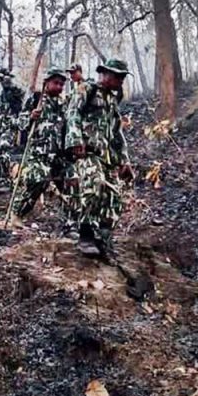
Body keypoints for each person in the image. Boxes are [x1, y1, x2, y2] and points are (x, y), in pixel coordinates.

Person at [64, 58, 134, 257]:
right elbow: (73, 113)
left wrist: (125, 160)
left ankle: (103, 238)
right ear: (106, 74)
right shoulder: (87, 89)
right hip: (87, 151)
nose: (121, 81)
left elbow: (117, 133)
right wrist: (75, 140)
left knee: (115, 197)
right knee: (95, 184)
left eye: (123, 77)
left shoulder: (112, 100)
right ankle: (85, 234)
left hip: (107, 157)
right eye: (118, 77)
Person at [10, 68, 72, 219]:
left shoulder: (63, 104)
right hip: (39, 153)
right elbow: (19, 123)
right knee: (38, 180)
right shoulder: (36, 99)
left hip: (59, 154)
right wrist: (30, 117)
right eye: (56, 83)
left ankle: (73, 220)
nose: (59, 87)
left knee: (71, 181)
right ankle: (16, 214)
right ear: (47, 83)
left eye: (62, 84)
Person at [0, 68, 24, 178]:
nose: (2, 82)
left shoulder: (14, 94)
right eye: (1, 80)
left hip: (10, 128)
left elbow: (21, 94)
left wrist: (10, 82)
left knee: (3, 146)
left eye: (4, 79)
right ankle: (0, 176)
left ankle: (8, 175)